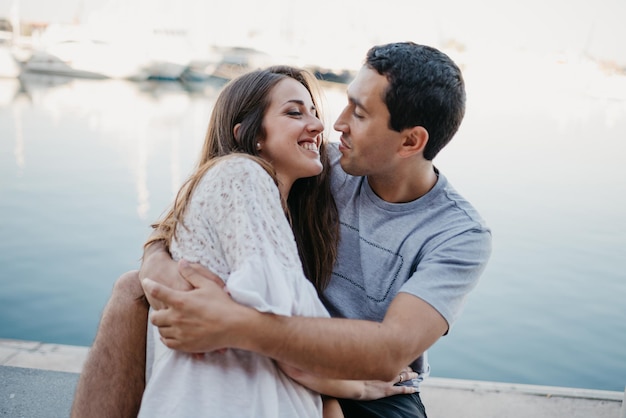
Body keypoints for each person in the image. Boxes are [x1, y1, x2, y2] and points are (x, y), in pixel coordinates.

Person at [72, 42, 492, 418]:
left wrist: (234, 324)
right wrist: (163, 279)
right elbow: (178, 228)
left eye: (359, 114)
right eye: (345, 103)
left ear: (409, 142)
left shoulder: (458, 234)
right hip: (277, 340)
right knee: (131, 289)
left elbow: (388, 353)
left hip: (375, 389)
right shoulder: (320, 164)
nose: (336, 123)